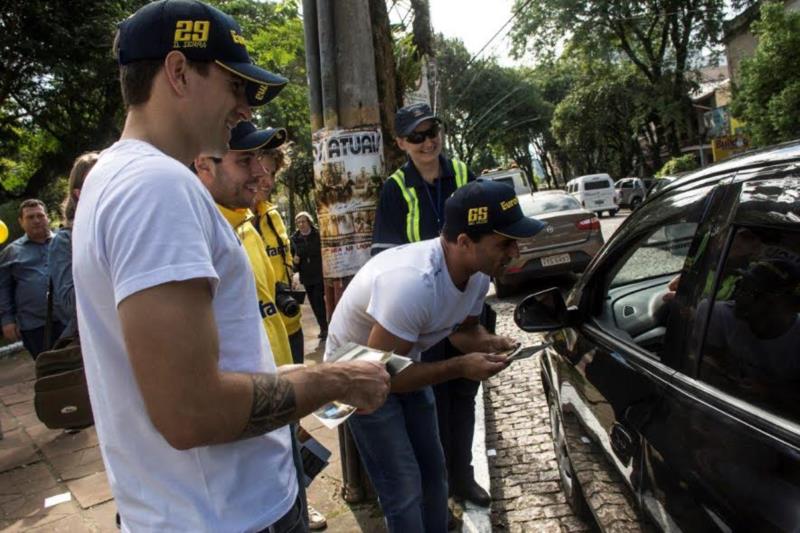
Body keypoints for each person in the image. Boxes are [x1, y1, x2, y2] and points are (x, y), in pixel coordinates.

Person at [71, 2, 389, 531]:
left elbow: (206, 374)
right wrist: (333, 380)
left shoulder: (114, 179)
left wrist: (309, 375)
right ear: (177, 72)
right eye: (235, 86)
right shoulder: (157, 187)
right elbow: (192, 410)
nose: (245, 109)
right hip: (231, 516)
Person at [325, 180, 545, 532]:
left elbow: (462, 331)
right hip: (355, 373)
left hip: (401, 359)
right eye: (504, 243)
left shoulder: (476, 275)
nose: (515, 252)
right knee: (403, 486)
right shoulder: (413, 283)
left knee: (433, 469)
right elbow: (381, 376)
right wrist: (460, 367)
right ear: (463, 242)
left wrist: (490, 342)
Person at [194, 123, 327, 531]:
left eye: (263, 160)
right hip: (240, 435)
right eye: (245, 160)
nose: (261, 173)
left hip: (275, 396)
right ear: (205, 167)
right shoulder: (198, 233)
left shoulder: (247, 225)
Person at [371, 102, 490, 509]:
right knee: (433, 401)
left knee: (464, 396)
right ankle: (439, 491)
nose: (428, 142)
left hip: (464, 302)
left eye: (432, 131)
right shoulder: (395, 189)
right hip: (422, 314)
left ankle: (464, 478)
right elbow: (385, 257)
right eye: (417, 136)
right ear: (402, 143)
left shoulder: (461, 174)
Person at [251, 140, 305, 363]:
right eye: (263, 171)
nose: (268, 182)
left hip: (291, 324)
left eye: (272, 173)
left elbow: (286, 260)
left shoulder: (273, 215)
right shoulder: (227, 219)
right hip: (259, 336)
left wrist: (292, 277)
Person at [0, 199, 65, 358]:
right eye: (30, 217)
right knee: (49, 372)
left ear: (47, 218)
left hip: (70, 320)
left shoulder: (64, 243)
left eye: (40, 215)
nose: (36, 220)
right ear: (21, 222)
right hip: (35, 326)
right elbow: (3, 288)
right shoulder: (11, 252)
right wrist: (7, 321)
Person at [48, 152, 99, 341]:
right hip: (94, 341)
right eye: (96, 180)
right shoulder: (64, 241)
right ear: (78, 194)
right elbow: (70, 303)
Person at [291, 211, 327, 339]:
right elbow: (293, 259)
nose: (301, 224)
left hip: (319, 273)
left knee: (319, 301)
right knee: (313, 303)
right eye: (299, 222)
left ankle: (325, 328)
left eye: (303, 221)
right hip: (306, 276)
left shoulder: (318, 234)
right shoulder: (294, 239)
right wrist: (295, 262)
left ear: (309, 222)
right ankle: (323, 327)